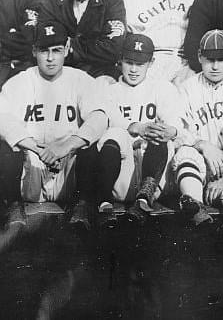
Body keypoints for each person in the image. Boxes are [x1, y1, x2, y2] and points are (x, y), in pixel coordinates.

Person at [0, 22, 113, 227]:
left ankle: (81, 206)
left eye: (56, 51)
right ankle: (13, 206)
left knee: (89, 144)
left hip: (68, 165)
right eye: (44, 51)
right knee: (7, 145)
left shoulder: (80, 79)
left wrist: (66, 146)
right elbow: (1, 118)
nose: (50, 58)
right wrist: (37, 149)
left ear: (66, 49)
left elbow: (99, 118)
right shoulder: (20, 81)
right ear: (34, 51)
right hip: (31, 164)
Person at [77, 34, 186, 226]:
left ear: (151, 62)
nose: (134, 69)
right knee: (115, 134)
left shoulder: (162, 88)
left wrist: (170, 131)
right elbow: (101, 122)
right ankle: (104, 202)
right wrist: (135, 127)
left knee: (159, 133)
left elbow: (178, 125)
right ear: (120, 60)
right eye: (129, 62)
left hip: (154, 173)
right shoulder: (108, 89)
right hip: (117, 174)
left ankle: (144, 199)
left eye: (140, 64)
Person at [172, 30, 223, 225]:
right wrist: (202, 144)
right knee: (185, 153)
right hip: (198, 164)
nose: (215, 66)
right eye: (210, 59)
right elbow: (176, 130)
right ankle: (195, 207)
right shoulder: (186, 88)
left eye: (221, 59)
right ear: (200, 56)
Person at [37, 0, 126, 78]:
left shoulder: (112, 0)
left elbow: (113, 49)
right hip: (60, 72)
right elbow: (45, 42)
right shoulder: (53, 1)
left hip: (99, 73)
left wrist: (72, 46)